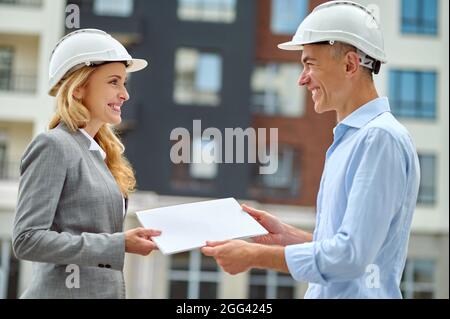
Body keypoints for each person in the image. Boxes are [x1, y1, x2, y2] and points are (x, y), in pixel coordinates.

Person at [202, 1, 420, 298]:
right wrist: (284, 237)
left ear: (350, 64)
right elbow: (345, 247)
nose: (302, 78)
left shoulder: (379, 139)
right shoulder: (354, 140)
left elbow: (351, 256)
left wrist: (253, 255)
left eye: (310, 64)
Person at [12, 29, 161, 299]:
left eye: (124, 83)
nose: (124, 94)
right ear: (79, 87)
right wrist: (118, 244)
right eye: (114, 82)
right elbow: (27, 240)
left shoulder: (101, 154)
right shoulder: (54, 146)